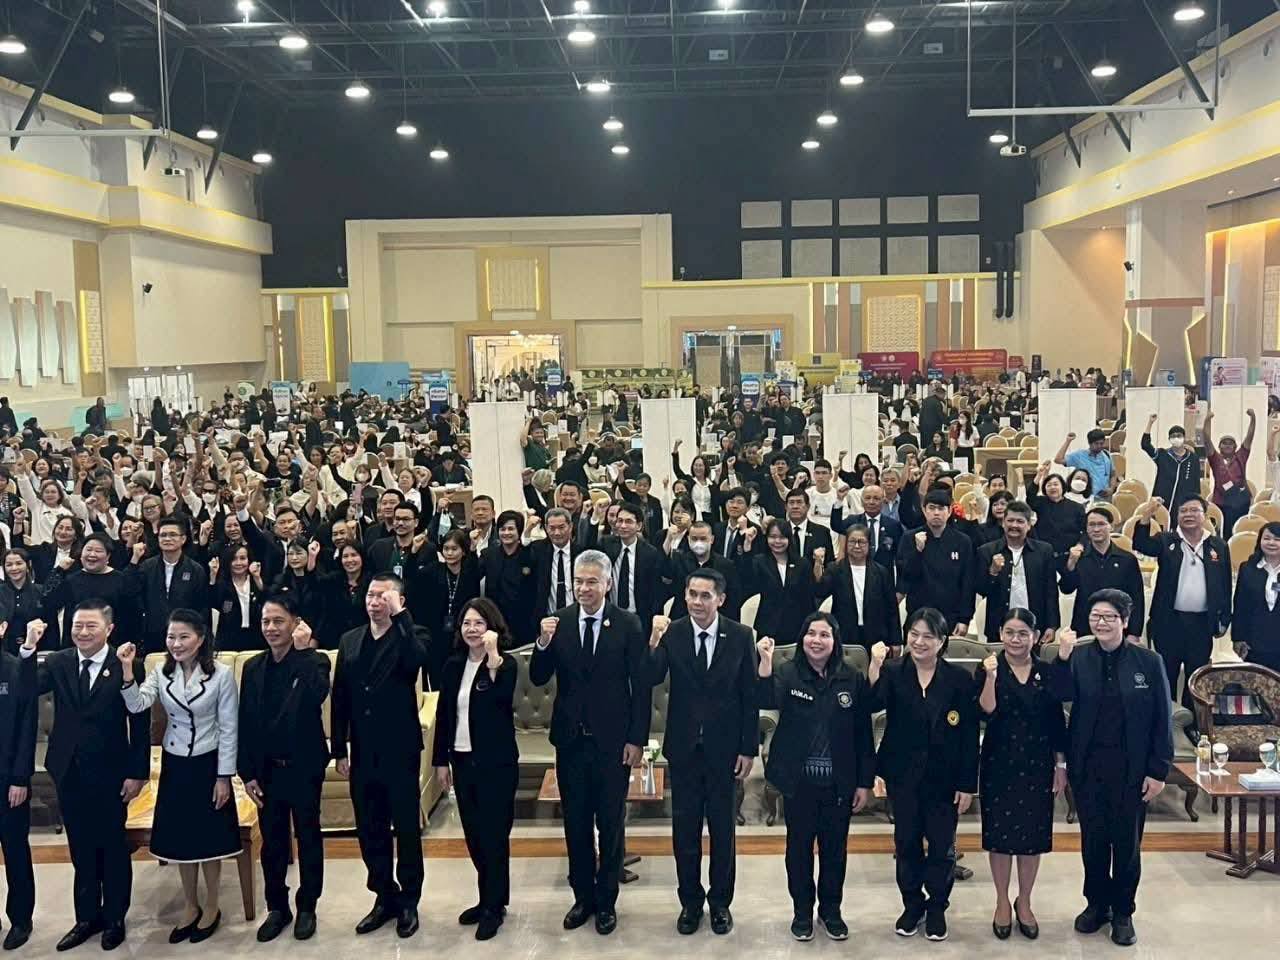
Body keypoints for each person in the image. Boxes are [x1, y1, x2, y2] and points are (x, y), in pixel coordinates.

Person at [530, 550, 651, 936]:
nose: (584, 588)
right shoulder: (560, 621)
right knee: (576, 822)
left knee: (610, 823)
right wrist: (543, 642)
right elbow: (538, 677)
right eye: (578, 581)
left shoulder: (628, 623)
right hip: (570, 742)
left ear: (608, 584)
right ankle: (582, 897)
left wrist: (637, 739)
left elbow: (641, 686)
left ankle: (607, 900)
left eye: (592, 582)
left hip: (613, 742)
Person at [18, 605, 149, 952]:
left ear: (109, 629)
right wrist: (29, 647)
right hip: (68, 769)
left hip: (111, 770)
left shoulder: (126, 664)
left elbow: (139, 721)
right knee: (80, 845)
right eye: (78, 626)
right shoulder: (59, 661)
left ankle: (115, 917)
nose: (83, 632)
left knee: (112, 846)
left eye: (91, 626)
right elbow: (26, 687)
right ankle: (86, 918)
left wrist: (137, 772)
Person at [1048, 589, 1173, 948]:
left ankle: (1123, 912)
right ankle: (1096, 905)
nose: (1101, 623)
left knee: (1127, 843)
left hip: (1132, 769)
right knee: (1094, 841)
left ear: (1125, 621)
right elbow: (1057, 696)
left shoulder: (1148, 661)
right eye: (1095, 616)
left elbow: (1162, 718)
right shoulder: (1079, 657)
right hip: (1088, 766)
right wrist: (1061, 658)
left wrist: (1158, 770)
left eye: (1109, 617)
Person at [115, 611, 240, 943]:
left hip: (208, 762)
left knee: (210, 838)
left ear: (201, 639)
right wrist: (127, 671)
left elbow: (229, 728)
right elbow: (137, 705)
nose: (176, 644)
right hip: (175, 762)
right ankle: (190, 904)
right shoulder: (161, 671)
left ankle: (212, 906)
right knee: (183, 838)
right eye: (171, 637)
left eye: (184, 637)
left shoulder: (222, 674)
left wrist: (224, 777)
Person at [647, 570, 757, 937]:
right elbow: (651, 675)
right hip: (684, 749)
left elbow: (749, 695)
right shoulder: (674, 632)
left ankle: (721, 903)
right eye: (691, 594)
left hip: (725, 751)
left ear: (720, 599)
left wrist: (748, 748)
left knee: (723, 831)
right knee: (685, 830)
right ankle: (690, 903)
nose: (697, 601)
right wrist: (653, 640)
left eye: (705, 595)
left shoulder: (740, 636)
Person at [755, 613, 874, 942]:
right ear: (802, 638)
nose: (816, 640)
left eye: (824, 634)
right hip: (799, 783)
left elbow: (863, 734)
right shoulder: (787, 672)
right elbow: (765, 699)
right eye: (811, 633)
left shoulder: (851, 678)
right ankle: (802, 912)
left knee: (835, 851)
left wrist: (864, 782)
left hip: (839, 784)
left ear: (835, 641)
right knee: (798, 851)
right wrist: (765, 664)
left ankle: (831, 911)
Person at [868, 608, 979, 943]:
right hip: (903, 776)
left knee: (942, 847)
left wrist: (967, 784)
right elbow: (872, 705)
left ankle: (937, 907)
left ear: (942, 641)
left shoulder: (959, 679)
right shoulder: (893, 671)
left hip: (945, 780)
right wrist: (874, 666)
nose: (919, 641)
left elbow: (969, 735)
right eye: (914, 634)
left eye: (928, 636)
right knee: (906, 844)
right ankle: (912, 904)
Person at [331, 574, 429, 938]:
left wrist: (401, 617)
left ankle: (409, 900)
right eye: (370, 595)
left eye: (383, 596)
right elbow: (340, 696)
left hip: (400, 749)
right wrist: (339, 748)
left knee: (405, 827)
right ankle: (384, 895)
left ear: (399, 601)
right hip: (363, 750)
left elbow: (415, 661)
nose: (374, 602)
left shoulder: (413, 635)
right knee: (370, 827)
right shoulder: (350, 639)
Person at [239, 596, 331, 942]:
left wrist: (304, 652)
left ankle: (308, 906)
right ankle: (277, 907)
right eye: (265, 621)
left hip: (304, 766)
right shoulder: (253, 667)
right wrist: (247, 772)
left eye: (278, 621)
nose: (271, 628)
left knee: (308, 836)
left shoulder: (315, 660)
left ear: (295, 623)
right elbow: (245, 721)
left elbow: (317, 694)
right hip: (267, 770)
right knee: (273, 842)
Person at [976, 608, 1067, 941]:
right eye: (1009, 632)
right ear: (1000, 633)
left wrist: (1061, 765)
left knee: (1032, 839)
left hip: (1037, 764)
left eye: (1023, 633)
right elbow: (985, 711)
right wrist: (989, 678)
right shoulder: (989, 667)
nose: (1016, 639)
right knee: (999, 838)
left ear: (1035, 636)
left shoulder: (1046, 671)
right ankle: (1002, 900)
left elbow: (1056, 721)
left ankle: (1024, 901)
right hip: (998, 763)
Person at [432, 598, 519, 941]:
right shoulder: (453, 665)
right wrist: (441, 760)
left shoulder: (506, 665)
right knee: (474, 836)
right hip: (462, 760)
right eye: (467, 623)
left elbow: (501, 701)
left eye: (479, 624)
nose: (471, 630)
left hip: (497, 764)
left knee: (494, 836)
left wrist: (493, 656)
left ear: (492, 628)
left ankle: (494, 907)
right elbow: (444, 715)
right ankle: (488, 899)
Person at [1132, 495, 1231, 710]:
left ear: (1205, 515)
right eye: (1183, 511)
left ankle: (1192, 721)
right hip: (1169, 621)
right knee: (1166, 673)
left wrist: (1224, 619)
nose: (1188, 515)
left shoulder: (1218, 545)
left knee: (1196, 677)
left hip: (1202, 624)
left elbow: (1224, 584)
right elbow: (1140, 544)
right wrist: (1147, 515)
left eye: (1194, 510)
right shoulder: (1166, 540)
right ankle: (1166, 718)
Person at [976, 501, 1060, 644]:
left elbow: (1051, 591)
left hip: (1035, 626)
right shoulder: (987, 551)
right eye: (1010, 520)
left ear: (1029, 525)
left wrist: (1052, 625)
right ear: (1003, 523)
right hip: (999, 627)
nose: (1014, 525)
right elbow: (981, 590)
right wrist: (993, 572)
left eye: (1020, 521)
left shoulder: (1044, 551)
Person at [0, 622, 36, 950]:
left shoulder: (15, 668)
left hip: (9, 779)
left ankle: (21, 919)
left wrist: (20, 778)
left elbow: (28, 726)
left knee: (15, 852)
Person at [895, 490, 975, 638]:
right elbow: (905, 577)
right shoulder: (909, 538)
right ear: (924, 510)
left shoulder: (963, 541)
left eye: (941, 508)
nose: (936, 513)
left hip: (950, 617)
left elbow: (967, 582)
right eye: (931, 508)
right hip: (918, 614)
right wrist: (917, 551)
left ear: (949, 511)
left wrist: (964, 619)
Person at [1059, 507, 1146, 639]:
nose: (1096, 529)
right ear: (1086, 529)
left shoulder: (1127, 559)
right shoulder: (1079, 558)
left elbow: (1137, 598)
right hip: (1085, 626)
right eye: (1091, 525)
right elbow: (1066, 589)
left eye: (1101, 524)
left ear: (1111, 526)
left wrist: (1134, 633)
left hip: (1118, 627)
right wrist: (1070, 564)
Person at [129, 517, 208, 654]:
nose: (167, 539)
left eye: (172, 535)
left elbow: (202, 607)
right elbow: (131, 592)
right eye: (163, 535)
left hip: (184, 636)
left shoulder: (195, 569)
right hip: (152, 634)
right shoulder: (147, 566)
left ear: (183, 539)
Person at [815, 524, 900, 651]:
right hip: (844, 634)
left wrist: (896, 641)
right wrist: (818, 564)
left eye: (861, 542)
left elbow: (892, 608)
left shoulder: (881, 572)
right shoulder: (835, 569)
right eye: (852, 541)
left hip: (876, 635)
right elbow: (820, 591)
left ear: (869, 544)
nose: (856, 546)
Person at [737, 519, 818, 648]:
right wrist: (747, 547)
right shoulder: (759, 561)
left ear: (789, 538)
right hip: (768, 627)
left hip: (797, 627)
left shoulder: (802, 564)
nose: (777, 541)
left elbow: (809, 597)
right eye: (773, 537)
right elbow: (746, 580)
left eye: (782, 537)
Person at [1229, 521, 1280, 672]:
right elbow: (1240, 605)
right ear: (1259, 541)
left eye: (1277, 539)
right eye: (1267, 538)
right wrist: (1237, 638)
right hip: (1255, 642)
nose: (1271, 543)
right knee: (1256, 683)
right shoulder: (1248, 569)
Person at [1203, 408, 1256, 536]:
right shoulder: (1215, 458)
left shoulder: (1241, 456)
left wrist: (1253, 418)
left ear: (1235, 447)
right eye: (1224, 443)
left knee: (1239, 534)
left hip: (1241, 503)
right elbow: (1206, 439)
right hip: (1222, 504)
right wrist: (1207, 420)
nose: (1227, 445)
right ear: (1219, 446)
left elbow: (1250, 437)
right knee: (1223, 536)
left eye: (1231, 443)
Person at [208, 545, 266, 652]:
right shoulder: (222, 584)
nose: (238, 563)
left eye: (243, 558)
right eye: (234, 559)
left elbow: (267, 601)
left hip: (256, 638)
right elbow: (211, 603)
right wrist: (213, 576)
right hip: (228, 640)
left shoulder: (256, 581)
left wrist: (257, 578)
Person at [1141, 414, 1201, 508]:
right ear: (1169, 439)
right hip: (1162, 502)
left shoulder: (1193, 458)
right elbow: (1145, 445)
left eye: (1179, 436)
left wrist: (1196, 503)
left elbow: (1196, 485)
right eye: (1173, 436)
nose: (1176, 438)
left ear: (1184, 438)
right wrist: (1150, 422)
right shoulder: (1162, 455)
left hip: (1183, 504)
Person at [1055, 429, 1115, 499]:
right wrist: (1068, 441)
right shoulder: (1080, 455)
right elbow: (1058, 460)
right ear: (1090, 443)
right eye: (1096, 443)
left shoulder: (1107, 455)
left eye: (1101, 443)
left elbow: (1113, 474)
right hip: (1084, 499)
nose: (1099, 446)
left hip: (1104, 499)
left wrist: (1111, 489)